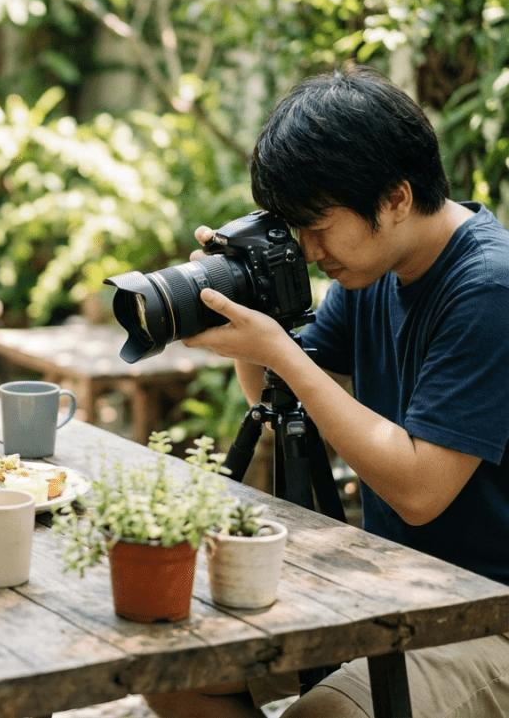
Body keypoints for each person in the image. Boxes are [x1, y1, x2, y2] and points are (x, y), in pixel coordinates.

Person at [145, 65, 509, 717]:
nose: (311, 251)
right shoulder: (374, 270)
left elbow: (421, 488)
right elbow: (281, 386)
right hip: (394, 590)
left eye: (319, 226)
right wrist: (247, 303)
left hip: (488, 614)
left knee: (330, 714)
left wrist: (277, 346)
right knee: (169, 663)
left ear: (396, 198)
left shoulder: (489, 287)